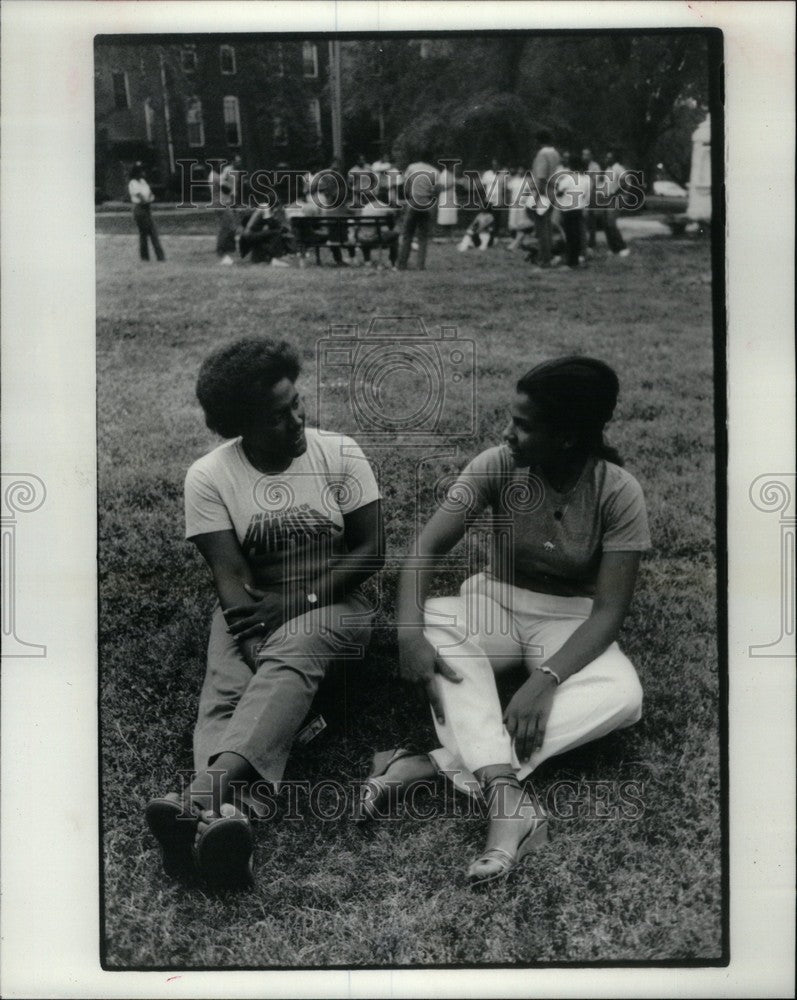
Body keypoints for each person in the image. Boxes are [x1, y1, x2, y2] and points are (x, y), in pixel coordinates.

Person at [359, 357, 649, 888]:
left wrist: (547, 679)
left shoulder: (617, 489)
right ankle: (505, 797)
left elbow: (609, 610)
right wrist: (409, 636)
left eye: (523, 425)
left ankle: (424, 763)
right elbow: (424, 550)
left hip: (569, 620)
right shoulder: (496, 464)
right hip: (495, 603)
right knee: (437, 618)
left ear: (566, 437)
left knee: (624, 696)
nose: (508, 433)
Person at [145, 338, 384, 888]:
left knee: (295, 650)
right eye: (279, 417)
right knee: (227, 689)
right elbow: (231, 578)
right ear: (240, 426)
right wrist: (255, 642)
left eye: (297, 403)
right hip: (252, 612)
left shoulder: (340, 454)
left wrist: (298, 604)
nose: (298, 420)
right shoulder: (209, 476)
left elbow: (371, 551)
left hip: (336, 604)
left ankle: (200, 797)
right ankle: (230, 827)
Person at [396, 150, 440, 271]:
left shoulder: (412, 167)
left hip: (413, 202)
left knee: (407, 234)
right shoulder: (435, 171)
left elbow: (405, 186)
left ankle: (401, 264)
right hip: (426, 204)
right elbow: (436, 191)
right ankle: (420, 265)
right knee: (423, 236)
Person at [530, 130, 561, 268]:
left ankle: (544, 259)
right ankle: (549, 255)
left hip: (544, 193)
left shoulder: (542, 154)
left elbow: (541, 177)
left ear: (539, 141)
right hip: (553, 191)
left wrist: (539, 196)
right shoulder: (555, 153)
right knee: (547, 226)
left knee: (541, 228)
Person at [554, 153, 590, 268]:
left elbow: (559, 192)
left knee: (570, 236)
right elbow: (586, 196)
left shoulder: (568, 179)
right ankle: (578, 258)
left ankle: (571, 262)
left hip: (568, 210)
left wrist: (557, 189)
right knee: (577, 235)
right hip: (578, 209)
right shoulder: (586, 179)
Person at [209, 155, 244, 265]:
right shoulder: (225, 172)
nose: (239, 163)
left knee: (230, 225)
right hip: (222, 202)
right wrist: (231, 197)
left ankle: (229, 247)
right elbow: (224, 187)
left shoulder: (233, 172)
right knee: (226, 226)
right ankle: (221, 249)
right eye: (237, 161)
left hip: (226, 202)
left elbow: (233, 187)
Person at [128, 162, 165, 262]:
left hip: (147, 209)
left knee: (144, 234)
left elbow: (151, 194)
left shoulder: (143, 182)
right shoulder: (133, 183)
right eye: (141, 171)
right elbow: (142, 198)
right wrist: (149, 199)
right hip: (140, 209)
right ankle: (160, 257)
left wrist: (149, 198)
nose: (143, 172)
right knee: (152, 232)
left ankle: (145, 257)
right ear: (136, 172)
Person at [239, 200, 295, 266]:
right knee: (276, 233)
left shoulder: (266, 208)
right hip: (249, 234)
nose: (276, 209)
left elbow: (271, 224)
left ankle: (272, 257)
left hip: (252, 233)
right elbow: (270, 222)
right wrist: (281, 228)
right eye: (276, 207)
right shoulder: (264, 206)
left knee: (275, 233)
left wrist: (282, 227)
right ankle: (277, 256)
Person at [603, 149, 631, 258]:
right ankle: (613, 248)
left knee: (611, 223)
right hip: (608, 198)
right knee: (606, 224)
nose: (607, 159)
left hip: (617, 198)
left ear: (615, 158)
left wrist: (614, 194)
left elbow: (626, 184)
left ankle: (623, 247)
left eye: (610, 157)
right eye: (607, 157)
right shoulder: (608, 170)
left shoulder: (618, 168)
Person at [506, 166, 534, 251]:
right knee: (513, 223)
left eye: (522, 170)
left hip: (523, 204)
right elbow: (509, 191)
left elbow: (531, 192)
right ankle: (515, 241)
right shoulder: (514, 180)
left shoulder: (528, 180)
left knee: (522, 223)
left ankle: (518, 242)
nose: (520, 171)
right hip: (514, 203)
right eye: (519, 169)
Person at [480, 159, 509, 237]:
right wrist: (484, 198)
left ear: (499, 165)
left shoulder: (503, 174)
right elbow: (483, 186)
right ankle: (485, 233)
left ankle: (495, 234)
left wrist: (503, 198)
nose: (495, 166)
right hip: (488, 199)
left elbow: (505, 188)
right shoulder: (487, 174)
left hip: (498, 199)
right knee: (486, 216)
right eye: (493, 164)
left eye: (496, 164)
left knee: (496, 217)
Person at [581, 148, 602, 252]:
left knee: (591, 218)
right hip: (582, 194)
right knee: (583, 218)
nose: (585, 157)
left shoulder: (595, 166)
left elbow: (595, 181)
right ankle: (583, 240)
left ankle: (592, 241)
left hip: (591, 194)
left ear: (591, 156)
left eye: (587, 155)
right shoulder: (581, 166)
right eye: (583, 155)